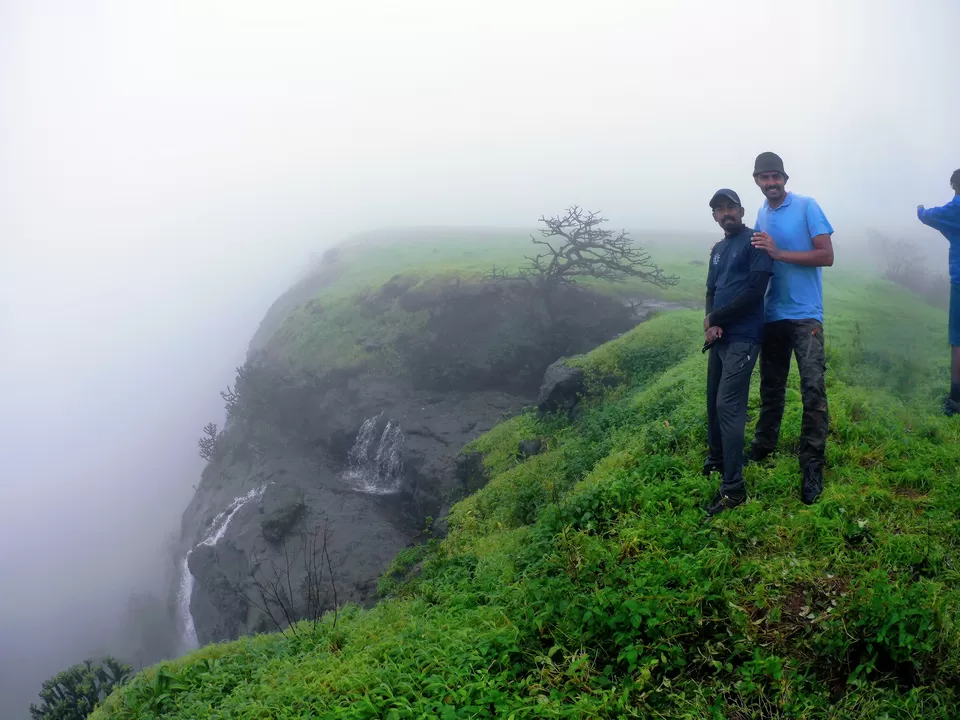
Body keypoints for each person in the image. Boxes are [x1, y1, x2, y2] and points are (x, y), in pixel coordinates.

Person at [747, 152, 834, 505]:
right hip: (772, 314)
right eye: (764, 178)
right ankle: (764, 446)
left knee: (812, 388)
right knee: (772, 387)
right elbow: (757, 253)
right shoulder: (761, 214)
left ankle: (812, 463)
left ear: (785, 178)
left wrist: (780, 253)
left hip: (805, 314)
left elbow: (826, 255)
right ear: (756, 181)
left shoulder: (807, 206)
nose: (770, 183)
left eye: (775, 177)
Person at [702, 189, 773, 516]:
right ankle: (716, 460)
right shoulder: (719, 249)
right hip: (719, 338)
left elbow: (755, 290)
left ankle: (733, 490)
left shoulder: (755, 241)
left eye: (731, 207)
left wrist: (718, 317)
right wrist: (710, 325)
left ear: (741, 211)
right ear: (715, 216)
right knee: (712, 400)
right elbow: (712, 291)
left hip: (744, 337)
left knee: (728, 406)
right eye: (719, 209)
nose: (726, 213)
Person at [917, 169, 960, 416]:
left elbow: (928, 216)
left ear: (953, 185)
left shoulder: (953, 211)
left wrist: (920, 210)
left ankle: (956, 399)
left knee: (958, 340)